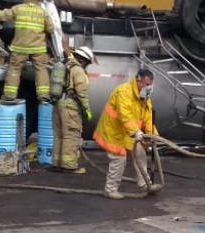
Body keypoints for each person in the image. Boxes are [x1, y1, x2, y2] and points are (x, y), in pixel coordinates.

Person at [93, 68, 162, 199]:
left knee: (140, 152)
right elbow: (125, 115)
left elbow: (148, 118)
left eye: (150, 85)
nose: (149, 88)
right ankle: (110, 189)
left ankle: (145, 184)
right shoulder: (124, 92)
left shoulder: (145, 97)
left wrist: (153, 135)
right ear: (139, 81)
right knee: (119, 159)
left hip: (129, 133)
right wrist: (136, 132)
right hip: (114, 132)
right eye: (147, 85)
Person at [0, 0, 54, 103]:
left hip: (19, 47)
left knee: (15, 70)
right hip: (38, 48)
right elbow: (51, 29)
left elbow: (2, 16)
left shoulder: (18, 8)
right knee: (41, 70)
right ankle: (43, 96)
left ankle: (9, 96)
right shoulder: (44, 13)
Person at [51, 41, 96, 174]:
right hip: (70, 107)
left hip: (58, 105)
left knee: (59, 135)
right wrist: (86, 108)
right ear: (84, 60)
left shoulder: (65, 65)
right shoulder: (78, 70)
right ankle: (69, 166)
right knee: (71, 135)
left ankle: (57, 164)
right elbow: (81, 91)